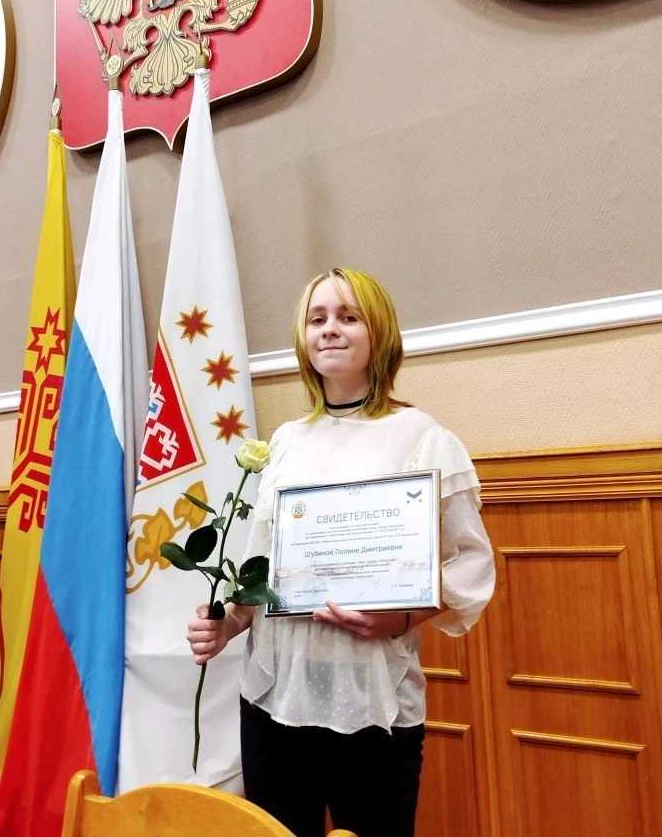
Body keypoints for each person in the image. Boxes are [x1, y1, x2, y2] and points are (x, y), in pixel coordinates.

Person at [187, 267, 495, 837]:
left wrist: (401, 617)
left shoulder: (423, 437)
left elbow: (471, 564)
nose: (330, 329)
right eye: (317, 318)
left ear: (379, 333)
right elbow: (261, 565)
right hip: (272, 698)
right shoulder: (285, 442)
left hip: (372, 702)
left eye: (348, 316)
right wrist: (226, 624)